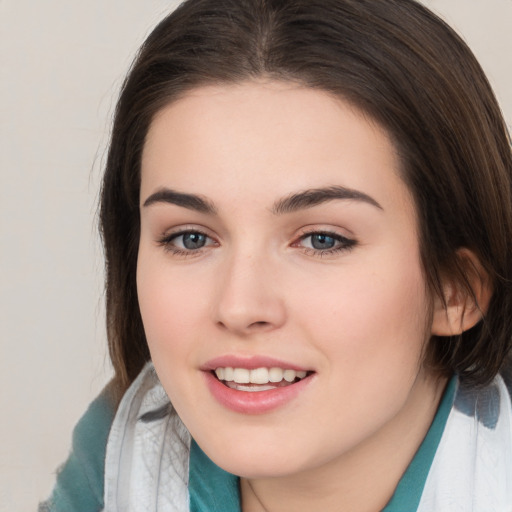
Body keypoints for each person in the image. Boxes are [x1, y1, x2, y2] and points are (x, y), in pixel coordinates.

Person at [40, 0, 512, 510]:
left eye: (322, 239)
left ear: (455, 288)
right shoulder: (114, 453)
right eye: (190, 238)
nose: (240, 307)